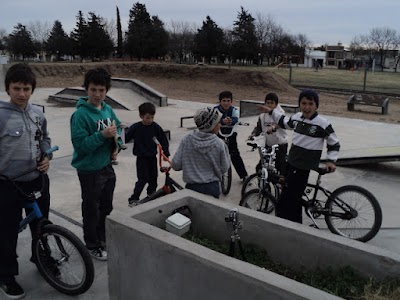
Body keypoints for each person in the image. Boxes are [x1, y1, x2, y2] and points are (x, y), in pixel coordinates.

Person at [0, 63, 53, 299]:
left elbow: (45, 139)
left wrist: (47, 156)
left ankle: (41, 256)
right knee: (7, 232)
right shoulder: (1, 115)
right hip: (7, 184)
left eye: (27, 89)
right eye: (16, 88)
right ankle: (6, 276)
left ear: (33, 89)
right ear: (7, 89)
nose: (22, 94)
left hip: (37, 180)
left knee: (41, 224)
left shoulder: (37, 114)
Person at [257, 89, 340, 223]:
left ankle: (294, 225)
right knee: (290, 195)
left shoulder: (322, 123)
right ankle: (292, 222)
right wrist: (270, 111)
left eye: (311, 104)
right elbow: (284, 121)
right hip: (292, 163)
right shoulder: (296, 118)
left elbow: (334, 142)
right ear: (299, 105)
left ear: (316, 106)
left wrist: (331, 160)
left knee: (289, 199)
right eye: (303, 103)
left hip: (303, 166)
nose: (307, 107)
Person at [70, 67, 123, 261]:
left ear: (107, 90)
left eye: (102, 90)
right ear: (86, 89)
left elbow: (117, 128)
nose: (98, 94)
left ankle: (102, 237)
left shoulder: (108, 109)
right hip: (89, 170)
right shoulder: (80, 116)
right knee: (91, 209)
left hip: (106, 166)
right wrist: (102, 135)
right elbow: (81, 146)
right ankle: (92, 245)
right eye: (93, 89)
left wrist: (117, 145)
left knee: (106, 206)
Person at [172, 107, 230, 199]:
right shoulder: (219, 144)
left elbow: (175, 164)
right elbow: (224, 168)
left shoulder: (187, 139)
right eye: (218, 123)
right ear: (212, 125)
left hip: (191, 188)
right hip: (212, 188)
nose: (220, 125)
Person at [125, 102, 170, 206]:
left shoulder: (155, 127)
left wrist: (166, 154)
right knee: (142, 178)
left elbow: (163, 140)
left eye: (152, 118)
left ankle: (151, 194)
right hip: (141, 158)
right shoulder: (136, 127)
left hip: (152, 157)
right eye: (148, 118)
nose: (150, 120)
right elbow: (125, 138)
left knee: (153, 177)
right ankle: (134, 198)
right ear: (141, 116)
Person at [249, 92, 288, 176]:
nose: (269, 105)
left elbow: (279, 124)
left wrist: (273, 128)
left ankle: (282, 184)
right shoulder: (262, 115)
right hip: (268, 144)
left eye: (272, 103)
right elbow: (259, 127)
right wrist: (253, 134)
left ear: (276, 104)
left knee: (280, 165)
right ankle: (263, 187)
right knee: (260, 167)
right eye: (268, 103)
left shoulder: (280, 113)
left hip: (280, 144)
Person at [215, 91, 248, 182]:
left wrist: (230, 121)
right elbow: (214, 118)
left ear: (231, 101)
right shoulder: (216, 110)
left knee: (234, 154)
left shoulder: (234, 110)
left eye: (228, 101)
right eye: (224, 101)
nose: (226, 103)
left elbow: (235, 118)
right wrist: (222, 121)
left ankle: (243, 175)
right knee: (215, 153)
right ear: (220, 101)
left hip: (231, 133)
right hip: (219, 133)